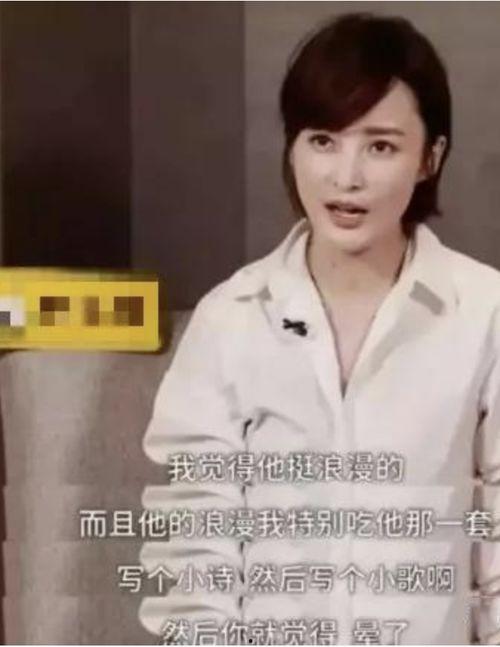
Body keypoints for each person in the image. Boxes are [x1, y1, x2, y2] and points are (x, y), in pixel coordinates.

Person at [140, 13, 500, 645]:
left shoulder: (485, 311)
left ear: (430, 158)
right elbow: (193, 550)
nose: (345, 177)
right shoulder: (231, 319)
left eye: (380, 146)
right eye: (323, 140)